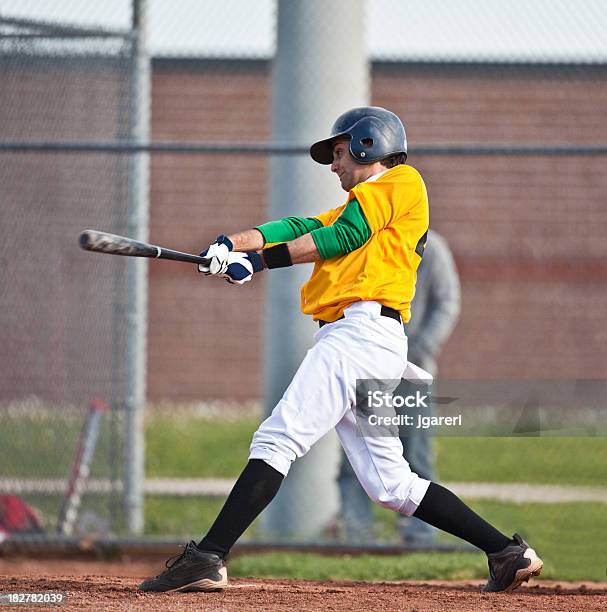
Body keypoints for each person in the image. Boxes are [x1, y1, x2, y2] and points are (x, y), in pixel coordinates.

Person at [138, 107, 542, 594]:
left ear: (369, 144)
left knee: (277, 440)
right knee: (391, 484)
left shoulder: (400, 182)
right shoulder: (364, 204)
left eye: (338, 152)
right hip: (367, 343)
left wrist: (258, 263)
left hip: (359, 338)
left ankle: (208, 556)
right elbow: (300, 226)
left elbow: (340, 237)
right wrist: (231, 245)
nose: (333, 165)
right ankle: (506, 553)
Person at [337, 229, 460, 546]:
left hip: (412, 374)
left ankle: (420, 536)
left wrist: (418, 349)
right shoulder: (366, 241)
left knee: (416, 455)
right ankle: (357, 536)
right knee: (356, 455)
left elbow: (447, 304)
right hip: (366, 367)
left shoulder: (433, 249)